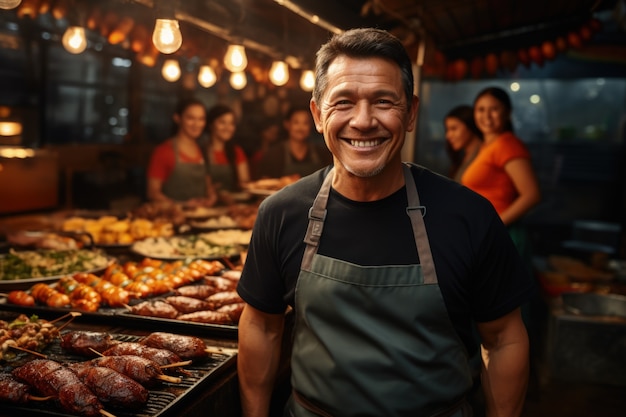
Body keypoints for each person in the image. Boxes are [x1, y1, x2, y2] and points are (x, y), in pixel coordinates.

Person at [237, 28, 533, 417]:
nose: (363, 121)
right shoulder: (281, 213)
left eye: (383, 101)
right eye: (343, 102)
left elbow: (504, 339)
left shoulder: (468, 216)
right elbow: (261, 326)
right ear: (317, 114)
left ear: (410, 113)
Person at [461, 87, 541, 256]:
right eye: (481, 109)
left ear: (508, 113)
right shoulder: (486, 147)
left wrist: (495, 225)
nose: (487, 116)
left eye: (494, 109)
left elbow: (531, 195)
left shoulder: (507, 145)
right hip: (484, 234)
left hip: (503, 235)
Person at [146, 98, 217, 206]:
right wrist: (182, 205)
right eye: (190, 118)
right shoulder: (164, 151)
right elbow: (153, 193)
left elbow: (208, 188)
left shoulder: (203, 150)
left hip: (203, 217)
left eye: (201, 119)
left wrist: (211, 197)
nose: (196, 124)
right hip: (173, 218)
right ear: (177, 118)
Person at [256, 106, 332, 179]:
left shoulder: (322, 154)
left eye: (305, 123)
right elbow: (265, 182)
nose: (300, 128)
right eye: (296, 122)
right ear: (287, 124)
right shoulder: (274, 155)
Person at [203, 104, 251, 192]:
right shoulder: (201, 151)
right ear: (211, 124)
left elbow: (245, 183)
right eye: (222, 122)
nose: (228, 128)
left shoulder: (236, 152)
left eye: (231, 123)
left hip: (234, 203)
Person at [444, 104, 483, 182]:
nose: (448, 136)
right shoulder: (463, 157)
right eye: (447, 130)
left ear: (470, 126)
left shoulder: (484, 154)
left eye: (454, 128)